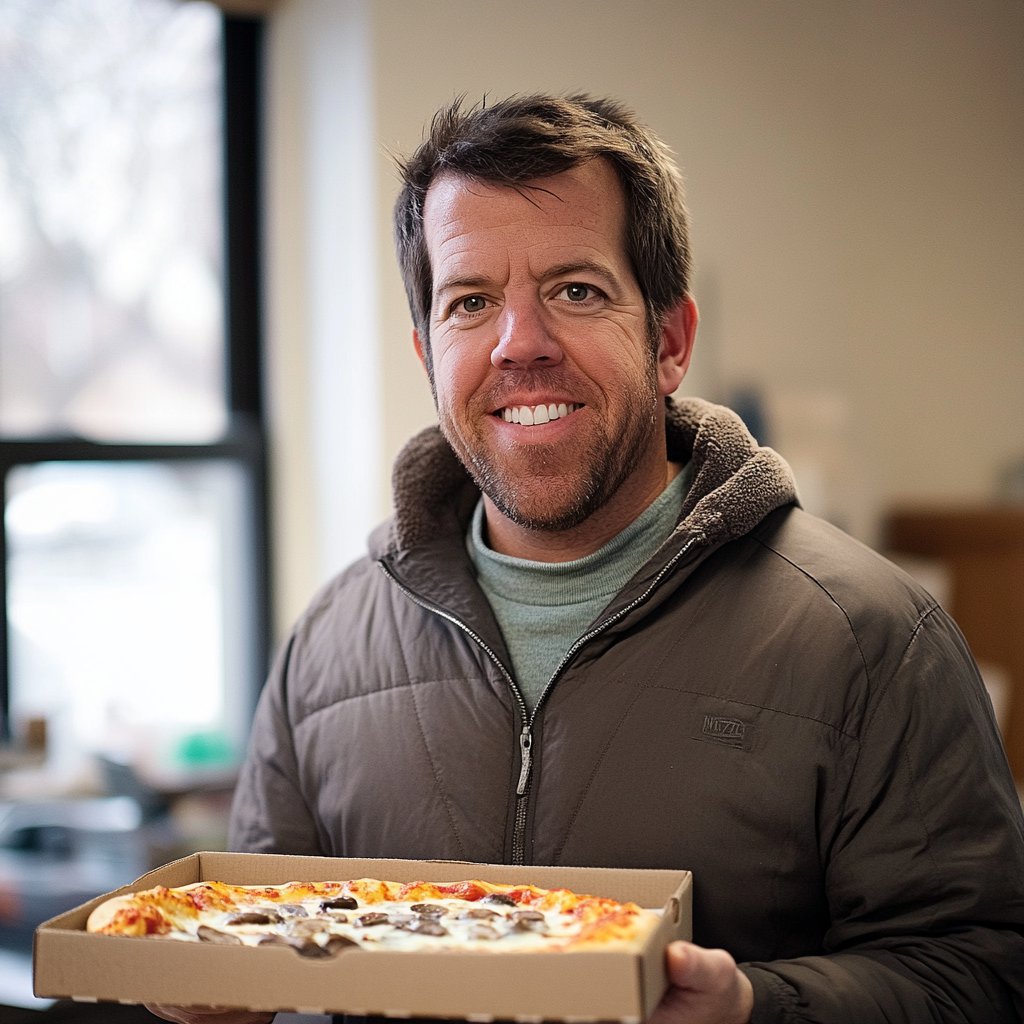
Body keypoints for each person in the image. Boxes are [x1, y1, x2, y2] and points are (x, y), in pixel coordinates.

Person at [149, 93, 1024, 1024]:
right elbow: (255, 950)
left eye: (576, 291)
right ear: (428, 355)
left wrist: (753, 1010)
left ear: (669, 341)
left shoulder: (874, 640)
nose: (519, 344)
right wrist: (220, 999)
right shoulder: (326, 646)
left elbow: (983, 974)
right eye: (471, 303)